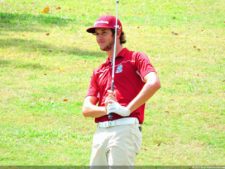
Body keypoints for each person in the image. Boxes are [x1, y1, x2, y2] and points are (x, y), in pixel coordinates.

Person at [82, 15, 161, 166]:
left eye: (104, 32)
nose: (99, 37)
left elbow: (154, 83)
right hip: (101, 132)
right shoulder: (99, 71)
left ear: (117, 33)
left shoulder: (135, 57)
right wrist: (107, 109)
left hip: (125, 128)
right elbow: (86, 109)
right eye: (97, 34)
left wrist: (126, 109)